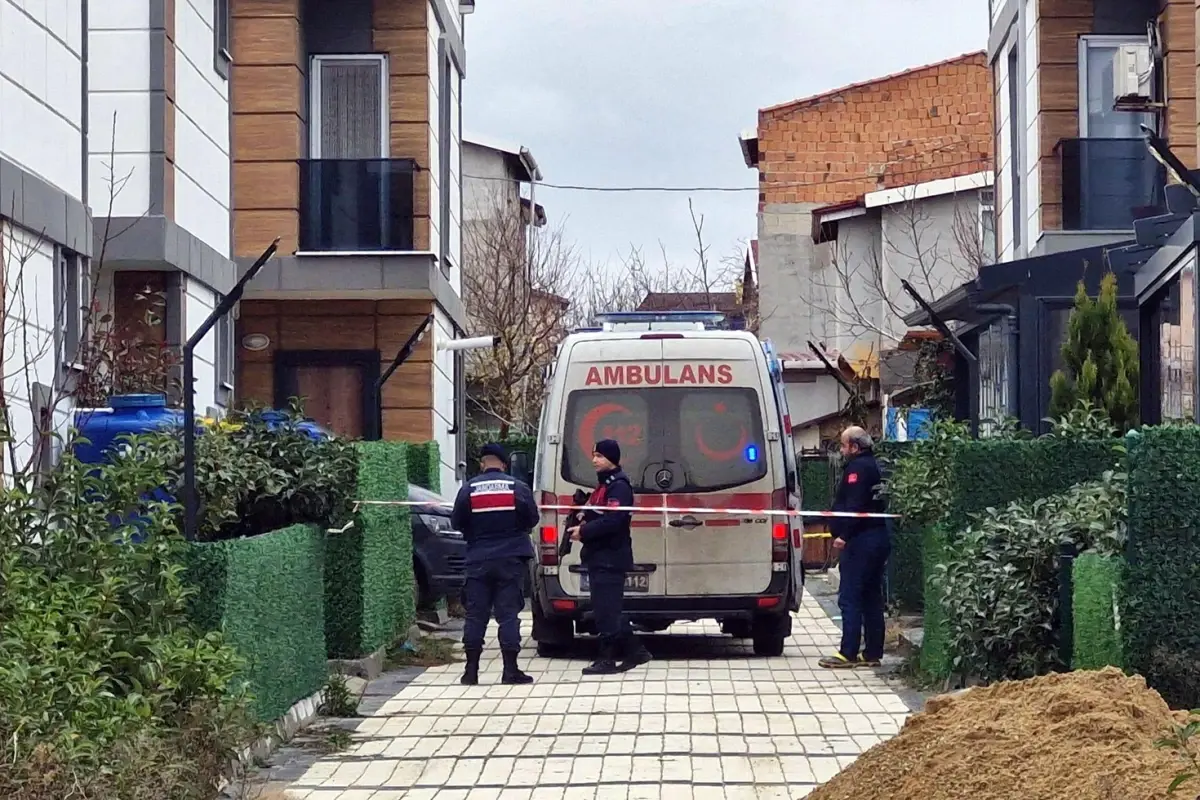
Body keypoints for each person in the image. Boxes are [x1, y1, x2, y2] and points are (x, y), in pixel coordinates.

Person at [451, 443, 540, 686]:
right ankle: (510, 670)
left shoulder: (469, 489)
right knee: (508, 615)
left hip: (478, 559)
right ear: (503, 463)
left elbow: (457, 522)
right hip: (511, 559)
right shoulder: (517, 488)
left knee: (475, 615)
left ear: (482, 463)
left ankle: (471, 671)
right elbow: (532, 518)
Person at [567, 439, 653, 676]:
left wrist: (584, 531)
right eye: (593, 455)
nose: (594, 460)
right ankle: (636, 652)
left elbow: (615, 521)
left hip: (610, 556)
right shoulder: (603, 486)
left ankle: (607, 659)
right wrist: (582, 517)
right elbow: (600, 514)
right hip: (599, 555)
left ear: (612, 458)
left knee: (607, 610)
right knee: (607, 609)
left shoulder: (619, 486)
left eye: (599, 456)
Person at [819, 426, 891, 670]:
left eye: (843, 445)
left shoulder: (858, 468)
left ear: (854, 447)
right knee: (871, 596)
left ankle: (848, 652)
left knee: (850, 596)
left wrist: (844, 535)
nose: (841, 450)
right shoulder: (874, 465)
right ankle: (872, 652)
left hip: (861, 541)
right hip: (876, 537)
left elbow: (855, 505)